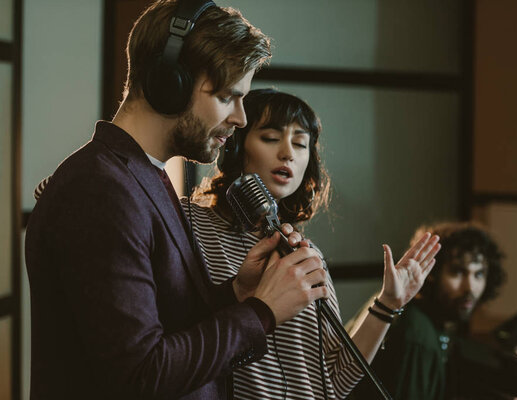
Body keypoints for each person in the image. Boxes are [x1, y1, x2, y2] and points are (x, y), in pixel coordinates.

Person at [24, 2, 330, 399]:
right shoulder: (100, 189)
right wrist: (262, 311)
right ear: (171, 84)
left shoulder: (142, 175)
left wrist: (238, 292)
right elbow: (141, 375)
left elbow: (163, 323)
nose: (239, 118)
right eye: (226, 96)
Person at [185, 88, 442, 399]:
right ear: (235, 146)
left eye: (300, 143)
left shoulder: (304, 254)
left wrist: (388, 304)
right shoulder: (190, 225)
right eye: (270, 138)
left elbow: (334, 381)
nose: (288, 153)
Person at [349, 221, 506, 400]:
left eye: (478, 274)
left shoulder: (399, 306)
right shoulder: (417, 334)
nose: (470, 287)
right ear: (432, 273)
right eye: (457, 272)